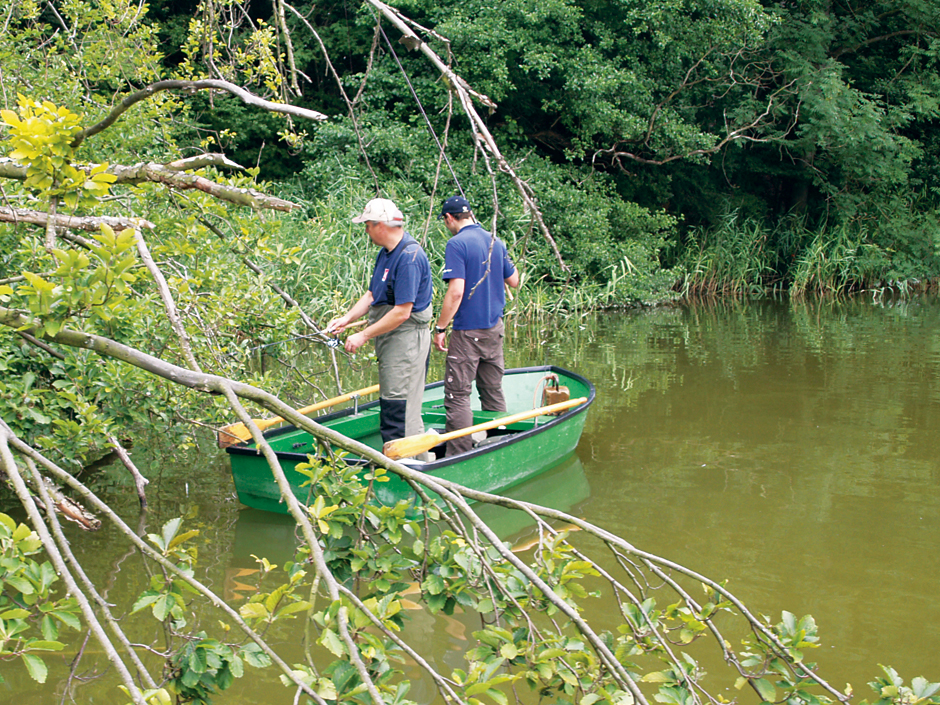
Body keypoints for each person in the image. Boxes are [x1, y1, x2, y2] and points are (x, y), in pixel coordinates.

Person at [328, 198, 433, 447]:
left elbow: (402, 313)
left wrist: (363, 335)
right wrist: (346, 319)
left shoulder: (409, 257)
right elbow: (372, 295)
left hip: (406, 341)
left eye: (367, 225)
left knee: (400, 408)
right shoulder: (386, 253)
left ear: (380, 225)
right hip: (391, 340)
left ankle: (409, 469)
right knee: (390, 401)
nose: (365, 231)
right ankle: (397, 462)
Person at [432, 195, 520, 456]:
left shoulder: (456, 244)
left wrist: (440, 327)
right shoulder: (495, 241)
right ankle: (501, 443)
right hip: (495, 329)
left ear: (449, 218)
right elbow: (514, 280)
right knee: (492, 389)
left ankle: (457, 455)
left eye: (445, 221)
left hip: (467, 332)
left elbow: (456, 292)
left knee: (457, 396)